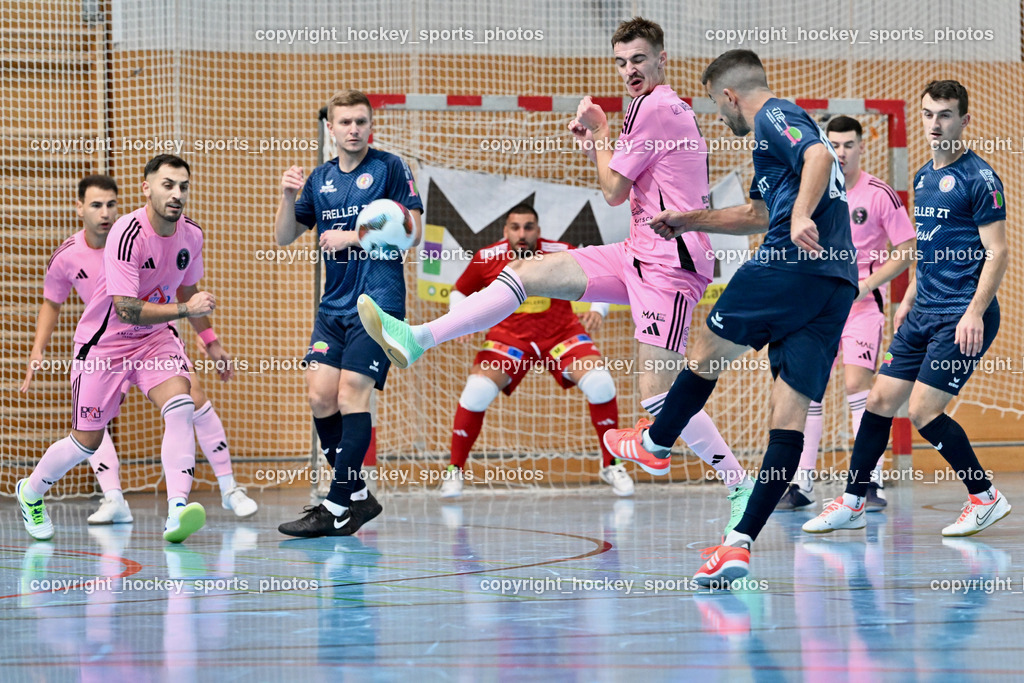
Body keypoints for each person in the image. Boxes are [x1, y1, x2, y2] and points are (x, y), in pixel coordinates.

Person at [358, 18, 754, 535]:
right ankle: (416, 340)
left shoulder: (657, 107)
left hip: (671, 264)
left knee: (657, 399)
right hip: (637, 250)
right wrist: (601, 137)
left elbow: (612, 190)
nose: (629, 70)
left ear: (661, 58)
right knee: (523, 270)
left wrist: (599, 134)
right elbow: (620, 187)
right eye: (621, 62)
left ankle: (739, 483)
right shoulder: (643, 106)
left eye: (638, 59)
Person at [601, 49, 859, 585]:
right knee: (786, 424)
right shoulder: (771, 156)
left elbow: (819, 158)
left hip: (791, 265)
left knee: (702, 355)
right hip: (834, 285)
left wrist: (802, 216)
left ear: (729, 95)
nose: (723, 118)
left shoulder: (772, 114)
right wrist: (689, 218)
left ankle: (654, 442)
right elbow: (757, 215)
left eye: (720, 108)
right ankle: (738, 544)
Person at [804, 80, 1010, 537]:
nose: (935, 124)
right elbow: (930, 245)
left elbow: (997, 252)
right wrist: (912, 294)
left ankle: (985, 497)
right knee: (878, 400)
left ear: (964, 120)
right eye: (928, 114)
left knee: (922, 411)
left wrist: (975, 311)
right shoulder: (921, 177)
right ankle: (854, 501)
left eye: (945, 115)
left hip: (961, 315)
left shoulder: (980, 178)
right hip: (923, 312)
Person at [20, 175, 258, 524]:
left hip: (154, 337)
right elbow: (66, 304)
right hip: (103, 345)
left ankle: (187, 505)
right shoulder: (92, 247)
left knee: (184, 402)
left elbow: (185, 288)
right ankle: (35, 493)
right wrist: (37, 350)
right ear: (79, 208)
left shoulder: (171, 235)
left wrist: (211, 341)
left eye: (110, 204)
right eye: (96, 205)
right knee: (86, 438)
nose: (105, 213)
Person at [275, 88, 423, 537]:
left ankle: (336, 504)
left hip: (377, 302)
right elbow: (284, 236)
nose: (353, 129)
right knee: (320, 396)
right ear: (331, 128)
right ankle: (358, 494)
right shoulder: (319, 178)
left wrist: (354, 237)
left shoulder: (390, 167)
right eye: (345, 122)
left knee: (351, 395)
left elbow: (413, 231)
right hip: (332, 307)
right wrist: (287, 196)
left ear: (369, 124)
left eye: (361, 121)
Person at [776, 116, 916, 511]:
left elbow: (907, 248)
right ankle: (801, 484)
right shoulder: (814, 190)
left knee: (858, 384)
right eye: (833, 144)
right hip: (816, 307)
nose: (840, 152)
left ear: (861, 146)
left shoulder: (879, 194)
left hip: (860, 307)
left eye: (848, 144)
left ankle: (869, 482)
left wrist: (868, 285)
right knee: (808, 389)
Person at [439, 203, 626, 497]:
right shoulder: (487, 257)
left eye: (528, 227)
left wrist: (599, 309)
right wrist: (463, 320)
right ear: (505, 231)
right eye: (515, 228)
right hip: (510, 338)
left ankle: (611, 463)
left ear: (538, 230)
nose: (522, 234)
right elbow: (460, 291)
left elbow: (599, 275)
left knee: (602, 384)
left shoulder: (559, 251)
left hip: (561, 334)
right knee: (475, 392)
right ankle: (454, 470)